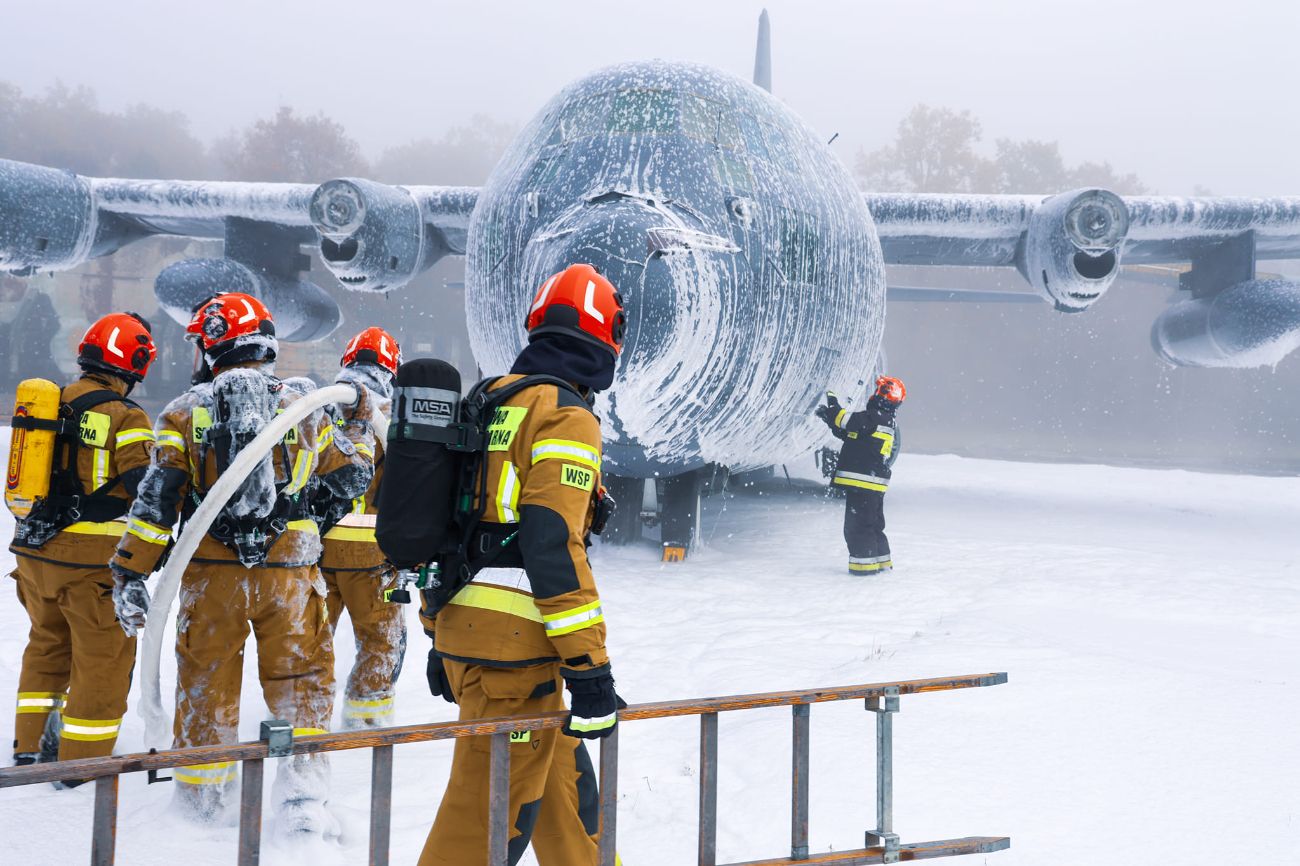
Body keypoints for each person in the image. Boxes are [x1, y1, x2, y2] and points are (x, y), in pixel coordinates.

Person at [108, 292, 376, 833]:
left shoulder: (182, 413)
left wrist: (131, 571)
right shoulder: (304, 407)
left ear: (212, 345)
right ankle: (302, 805)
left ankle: (201, 805)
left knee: (206, 679)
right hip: (292, 579)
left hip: (211, 580)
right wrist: (357, 427)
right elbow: (352, 475)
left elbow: (159, 503)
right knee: (302, 680)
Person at [419, 263, 627, 866]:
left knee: (566, 802)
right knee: (482, 824)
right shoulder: (566, 414)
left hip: (483, 646)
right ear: (606, 337)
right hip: (517, 659)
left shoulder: (489, 399)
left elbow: (447, 524)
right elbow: (550, 541)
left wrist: (440, 630)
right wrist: (590, 668)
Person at [8, 312, 157, 778]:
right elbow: (144, 484)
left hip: (35, 556)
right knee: (103, 663)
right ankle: (80, 765)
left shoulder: (51, 405)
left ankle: (29, 749)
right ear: (132, 364)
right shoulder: (126, 416)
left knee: (46, 647)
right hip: (90, 566)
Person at [314, 327, 406, 729]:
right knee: (380, 640)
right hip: (371, 553)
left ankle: (298, 717)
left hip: (315, 550)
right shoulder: (388, 414)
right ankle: (366, 723)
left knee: (307, 640)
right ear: (390, 369)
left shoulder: (316, 405)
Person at [815, 376, 905, 575]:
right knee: (873, 525)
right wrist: (829, 420)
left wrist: (833, 405)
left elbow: (847, 421)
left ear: (882, 395)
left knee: (857, 527)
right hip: (873, 485)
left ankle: (863, 569)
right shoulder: (885, 420)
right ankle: (882, 564)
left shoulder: (874, 416)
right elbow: (851, 434)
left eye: (879, 391)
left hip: (862, 483)